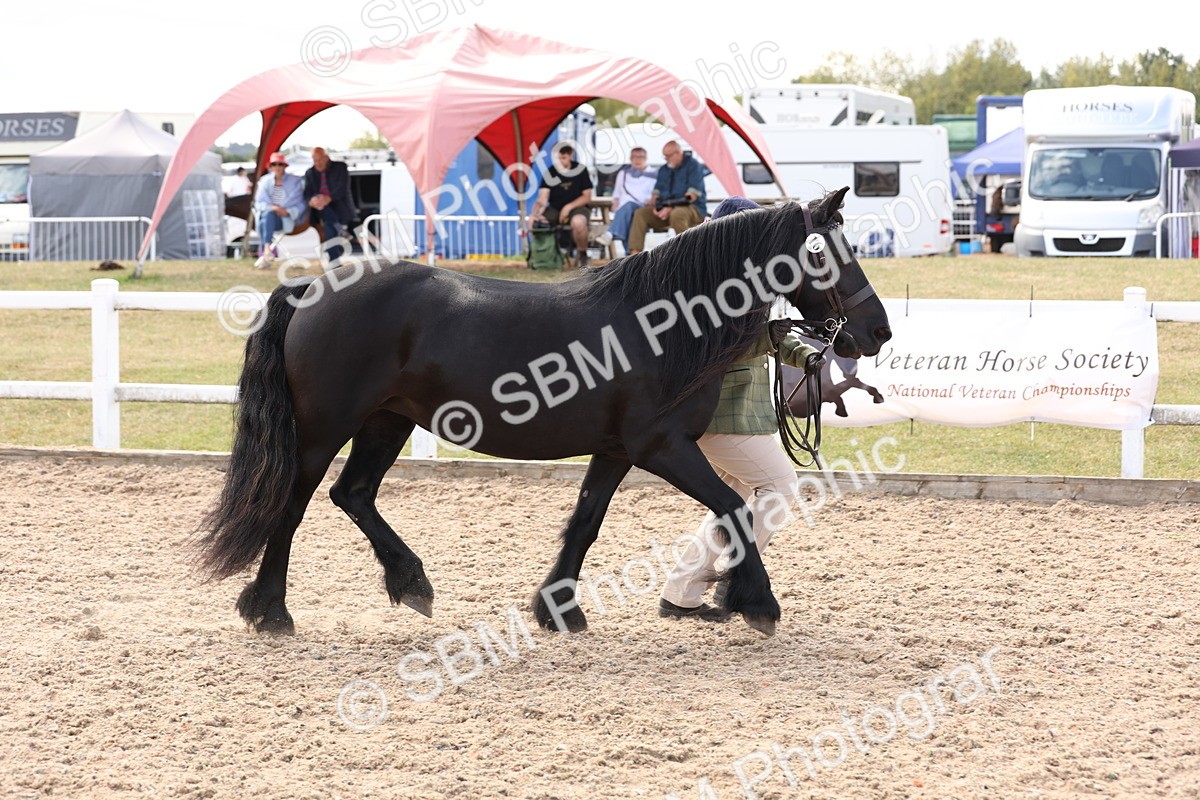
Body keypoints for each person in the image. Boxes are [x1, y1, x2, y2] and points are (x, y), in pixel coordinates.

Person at [658, 196, 826, 622]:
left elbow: (769, 335)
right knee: (782, 485)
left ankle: (681, 593)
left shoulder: (743, 286)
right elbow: (727, 345)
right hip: (724, 415)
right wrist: (771, 335)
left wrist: (802, 353)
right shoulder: (708, 290)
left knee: (731, 499)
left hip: (740, 415)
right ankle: (742, 575)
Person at [628, 140, 706, 253]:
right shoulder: (664, 169)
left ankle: (689, 253)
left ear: (678, 153)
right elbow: (656, 192)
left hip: (692, 209)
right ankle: (634, 258)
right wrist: (656, 206)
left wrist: (670, 207)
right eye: (665, 156)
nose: (666, 159)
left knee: (677, 214)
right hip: (665, 210)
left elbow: (691, 197)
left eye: (668, 156)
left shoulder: (694, 166)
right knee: (640, 213)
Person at [528, 144, 593, 267]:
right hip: (555, 208)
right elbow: (542, 198)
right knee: (539, 222)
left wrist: (568, 207)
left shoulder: (581, 170)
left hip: (577, 208)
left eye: (563, 158)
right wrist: (534, 214)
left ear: (570, 156)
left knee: (579, 222)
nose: (560, 161)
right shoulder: (550, 172)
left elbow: (587, 197)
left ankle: (582, 255)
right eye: (558, 158)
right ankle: (543, 257)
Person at [597, 147, 657, 254]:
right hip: (624, 209)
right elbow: (617, 192)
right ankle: (631, 257)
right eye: (634, 157)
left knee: (630, 207)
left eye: (640, 157)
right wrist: (615, 201)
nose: (637, 160)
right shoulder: (624, 173)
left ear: (646, 158)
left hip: (643, 207)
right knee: (629, 218)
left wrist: (652, 200)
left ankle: (610, 233)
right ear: (630, 158)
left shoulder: (654, 174)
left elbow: (656, 194)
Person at [253, 153, 307, 270]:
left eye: (280, 164)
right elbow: (259, 203)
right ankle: (268, 250)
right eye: (274, 164)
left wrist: (288, 211)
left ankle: (266, 252)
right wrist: (274, 208)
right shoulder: (264, 181)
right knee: (267, 216)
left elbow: (301, 203)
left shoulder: (295, 181)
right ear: (271, 166)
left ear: (284, 166)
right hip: (269, 216)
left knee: (264, 221)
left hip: (285, 219)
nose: (277, 167)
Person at [304, 146, 357, 265]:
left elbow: (342, 188)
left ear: (326, 157)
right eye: (314, 160)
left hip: (339, 207)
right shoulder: (310, 173)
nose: (317, 163)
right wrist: (312, 201)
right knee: (323, 208)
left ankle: (334, 263)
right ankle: (339, 229)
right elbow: (307, 193)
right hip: (319, 208)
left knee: (328, 226)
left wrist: (328, 198)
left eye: (320, 159)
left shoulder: (340, 167)